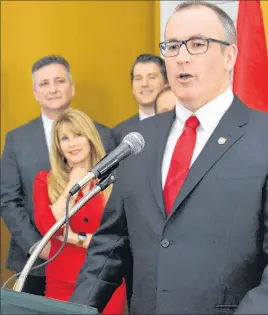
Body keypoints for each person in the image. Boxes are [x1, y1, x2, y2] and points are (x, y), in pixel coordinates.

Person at [70, 2, 268, 314]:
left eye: (197, 44)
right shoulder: (139, 140)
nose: (181, 56)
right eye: (172, 46)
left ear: (229, 55)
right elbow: (110, 247)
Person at [0, 55, 115, 296]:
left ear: (71, 87)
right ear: (35, 92)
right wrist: (40, 246)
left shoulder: (104, 136)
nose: (52, 89)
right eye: (44, 84)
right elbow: (9, 200)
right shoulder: (16, 139)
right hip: (33, 262)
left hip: (94, 263)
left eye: (59, 81)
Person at [33, 109, 125, 313]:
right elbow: (48, 227)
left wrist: (73, 237)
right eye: (64, 138)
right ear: (58, 146)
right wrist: (71, 187)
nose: (72, 143)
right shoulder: (44, 181)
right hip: (61, 281)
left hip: (105, 281)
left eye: (77, 135)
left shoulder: (113, 179)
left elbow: (118, 234)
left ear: (90, 138)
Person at [112, 53, 168, 144]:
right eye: (138, 78)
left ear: (166, 83)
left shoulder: (183, 124)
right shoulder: (118, 134)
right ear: (132, 87)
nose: (144, 84)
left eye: (152, 77)